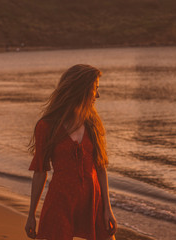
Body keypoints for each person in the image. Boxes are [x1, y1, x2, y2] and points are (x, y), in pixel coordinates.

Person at [25, 64, 117, 240]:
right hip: (61, 201)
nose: (97, 95)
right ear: (81, 90)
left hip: (93, 200)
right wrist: (31, 215)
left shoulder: (93, 124)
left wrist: (107, 208)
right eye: (95, 89)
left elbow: (100, 166)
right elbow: (40, 172)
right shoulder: (46, 126)